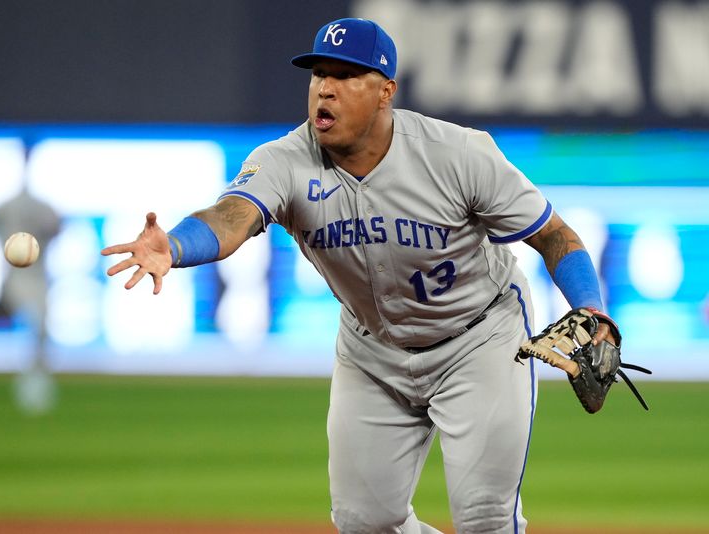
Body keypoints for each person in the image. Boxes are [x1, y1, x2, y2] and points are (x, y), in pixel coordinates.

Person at [102, 18, 615, 534]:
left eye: (347, 76)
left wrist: (591, 309)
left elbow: (554, 235)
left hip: (478, 341)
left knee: (484, 519)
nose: (325, 88)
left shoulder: (457, 154)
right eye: (318, 73)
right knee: (364, 523)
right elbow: (231, 217)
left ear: (385, 91)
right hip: (374, 350)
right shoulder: (284, 160)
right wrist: (176, 244)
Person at [0, 138, 62, 415]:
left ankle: (36, 381)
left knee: (41, 329)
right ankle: (27, 380)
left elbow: (57, 227)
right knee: (33, 324)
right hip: (16, 277)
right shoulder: (8, 205)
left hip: (38, 276)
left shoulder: (42, 207)